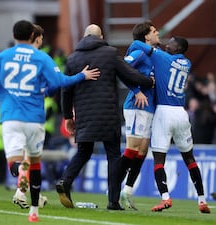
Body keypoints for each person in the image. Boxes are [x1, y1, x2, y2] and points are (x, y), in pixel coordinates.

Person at [0, 20, 100, 222]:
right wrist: (81, 76)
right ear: (34, 36)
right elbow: (59, 82)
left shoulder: (1, 57)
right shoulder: (42, 57)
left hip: (11, 118)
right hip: (35, 119)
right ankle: (34, 211)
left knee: (14, 163)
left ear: (14, 34)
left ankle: (20, 170)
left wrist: (4, 94)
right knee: (35, 162)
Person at [56, 24, 155, 210]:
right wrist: (149, 82)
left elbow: (66, 89)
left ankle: (65, 181)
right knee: (113, 156)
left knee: (83, 152)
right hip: (108, 114)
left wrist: (68, 116)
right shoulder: (110, 53)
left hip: (84, 115)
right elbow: (129, 74)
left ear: (85, 36)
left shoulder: (73, 58)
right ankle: (113, 201)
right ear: (100, 36)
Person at [128, 37, 211, 213]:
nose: (167, 44)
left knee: (159, 159)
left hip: (163, 113)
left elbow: (138, 44)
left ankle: (165, 198)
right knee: (189, 158)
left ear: (178, 47)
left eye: (171, 42)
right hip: (181, 113)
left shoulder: (162, 57)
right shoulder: (186, 63)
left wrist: (145, 43)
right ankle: (202, 200)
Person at [119, 20, 160, 210]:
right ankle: (113, 187)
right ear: (146, 36)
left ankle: (127, 190)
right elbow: (122, 70)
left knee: (143, 151)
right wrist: (136, 90)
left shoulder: (155, 54)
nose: (157, 32)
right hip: (136, 104)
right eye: (154, 31)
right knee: (133, 148)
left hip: (149, 107)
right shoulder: (139, 52)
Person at [11, 24, 49, 210]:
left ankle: (26, 191)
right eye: (41, 37)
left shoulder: (17, 58)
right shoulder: (39, 59)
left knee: (27, 157)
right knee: (30, 158)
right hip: (32, 115)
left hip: (16, 114)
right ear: (37, 37)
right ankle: (21, 191)